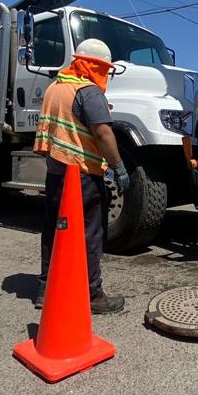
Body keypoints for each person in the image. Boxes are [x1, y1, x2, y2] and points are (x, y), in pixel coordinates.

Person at [32, 38, 130, 314]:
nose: (105, 75)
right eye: (104, 69)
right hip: (83, 176)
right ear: (93, 66)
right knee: (90, 235)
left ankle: (45, 290)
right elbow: (103, 133)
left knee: (54, 232)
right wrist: (119, 167)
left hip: (56, 173)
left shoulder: (55, 87)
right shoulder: (88, 91)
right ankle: (93, 294)